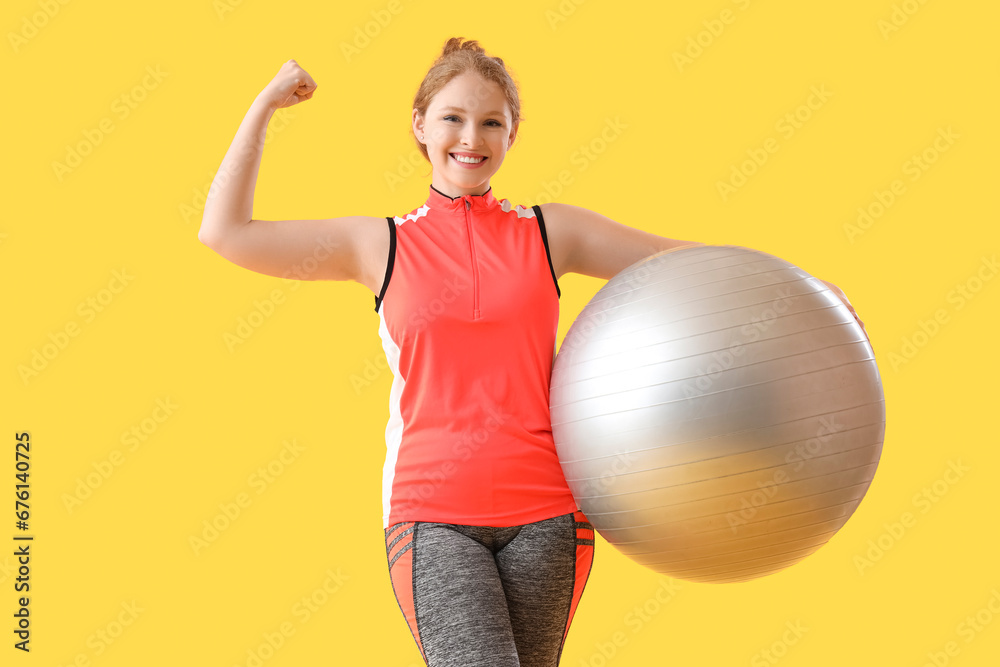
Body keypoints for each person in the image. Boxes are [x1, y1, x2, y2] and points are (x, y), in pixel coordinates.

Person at [198, 38, 868, 667]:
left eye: (492, 123)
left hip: (551, 516)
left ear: (512, 134)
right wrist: (264, 106)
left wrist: (806, 289)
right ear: (420, 126)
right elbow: (225, 232)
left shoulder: (553, 232)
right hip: (433, 516)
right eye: (453, 118)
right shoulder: (376, 245)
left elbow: (681, 262)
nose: (470, 138)